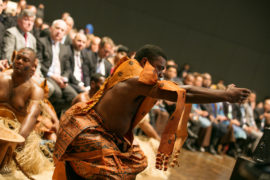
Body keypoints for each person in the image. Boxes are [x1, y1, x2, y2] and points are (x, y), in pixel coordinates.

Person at [53, 44, 250, 179]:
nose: (162, 73)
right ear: (145, 61)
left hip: (108, 134)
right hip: (89, 131)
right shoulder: (137, 78)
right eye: (159, 68)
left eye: (164, 69)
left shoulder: (130, 70)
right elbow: (182, 92)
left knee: (137, 160)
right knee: (115, 172)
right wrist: (224, 94)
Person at [0, 47, 52, 175]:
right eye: (18, 58)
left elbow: (32, 116)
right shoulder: (1, 78)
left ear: (33, 67)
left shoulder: (35, 90)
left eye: (25, 60)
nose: (19, 61)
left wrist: (17, 141)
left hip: (16, 132)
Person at [37, 19, 77, 114]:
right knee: (57, 93)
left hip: (60, 78)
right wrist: (52, 76)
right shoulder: (42, 42)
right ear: (51, 29)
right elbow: (39, 63)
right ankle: (43, 112)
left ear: (65, 33)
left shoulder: (65, 48)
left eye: (62, 30)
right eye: (57, 28)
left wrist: (64, 78)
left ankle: (50, 112)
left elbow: (67, 68)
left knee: (73, 97)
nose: (59, 32)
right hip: (48, 75)